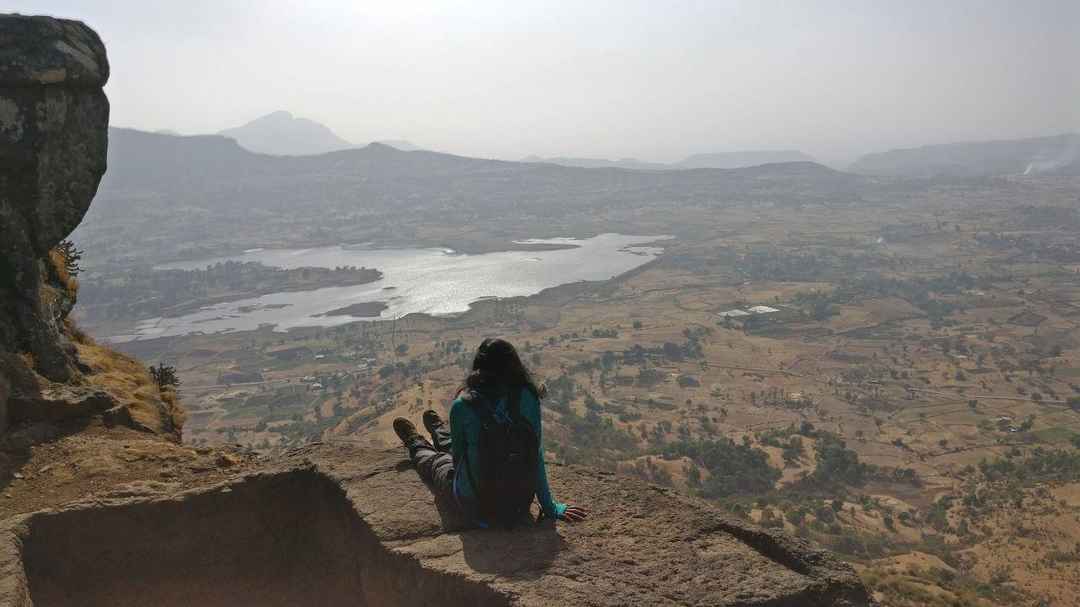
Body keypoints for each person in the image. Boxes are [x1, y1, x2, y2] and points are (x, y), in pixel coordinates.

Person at [393, 337, 588, 527]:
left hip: (476, 505)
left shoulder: (462, 406)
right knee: (461, 447)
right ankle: (438, 430)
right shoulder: (528, 396)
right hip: (517, 504)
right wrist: (550, 507)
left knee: (438, 463)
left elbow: (459, 460)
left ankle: (415, 441)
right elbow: (535, 454)